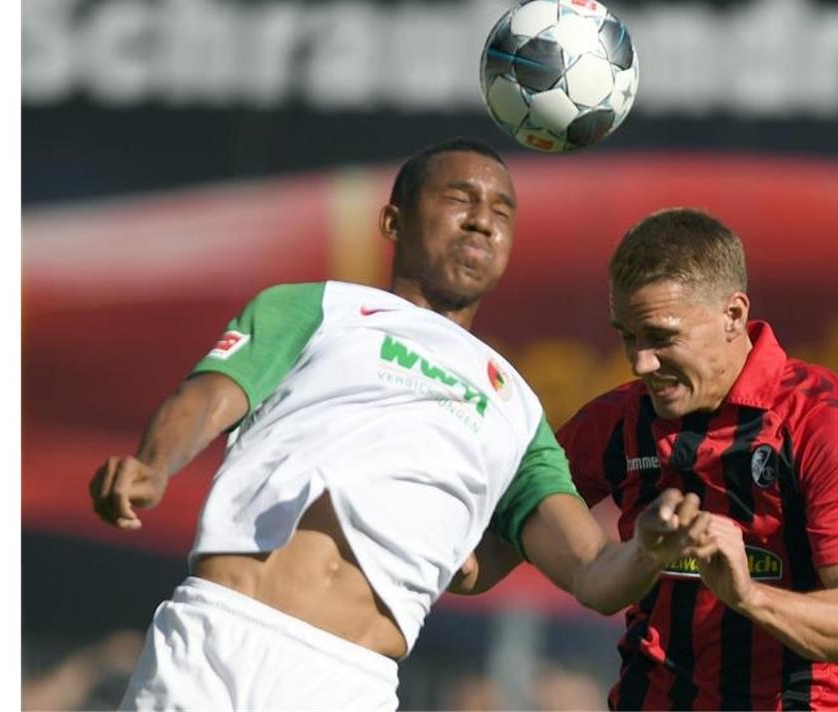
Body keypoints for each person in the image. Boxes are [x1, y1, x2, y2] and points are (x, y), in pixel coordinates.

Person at [87, 139, 723, 711]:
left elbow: (591, 572)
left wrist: (647, 550)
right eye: (460, 199)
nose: (482, 220)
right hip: (218, 639)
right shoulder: (318, 307)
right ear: (393, 220)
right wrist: (152, 464)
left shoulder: (518, 410)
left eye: (502, 213)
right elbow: (206, 397)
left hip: (347, 683)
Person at [460, 208, 838, 709]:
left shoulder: (825, 421)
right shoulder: (617, 422)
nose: (640, 361)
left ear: (733, 315)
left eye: (663, 337)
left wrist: (749, 595)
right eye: (627, 335)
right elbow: (481, 563)